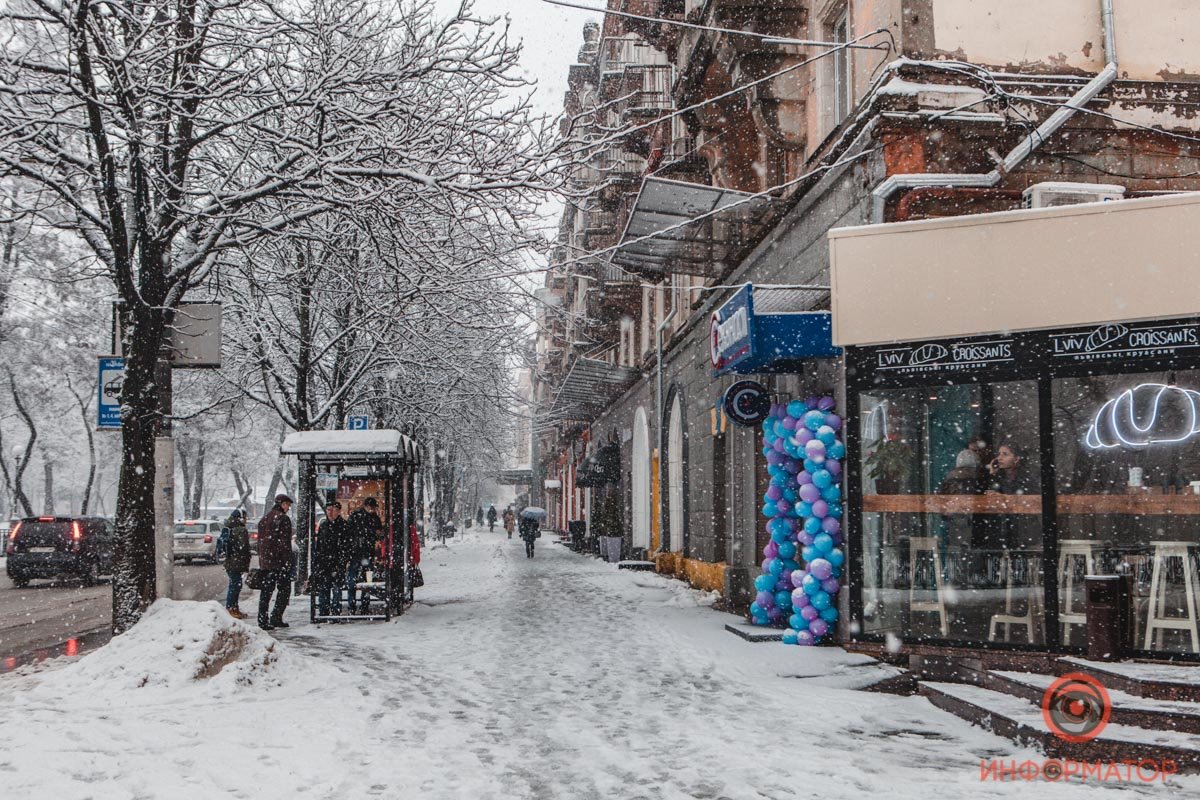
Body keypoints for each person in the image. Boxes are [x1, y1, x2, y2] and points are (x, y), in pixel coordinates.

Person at [256, 494, 295, 631]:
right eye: (287, 505)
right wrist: (288, 561)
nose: (288, 508)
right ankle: (276, 617)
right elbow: (285, 544)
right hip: (279, 562)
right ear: (282, 504)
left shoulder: (265, 518)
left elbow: (260, 542)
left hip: (266, 562)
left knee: (266, 591)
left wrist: (263, 559)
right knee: (284, 589)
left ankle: (262, 619)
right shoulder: (283, 519)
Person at [345, 497, 383, 614]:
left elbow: (349, 532)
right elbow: (377, 533)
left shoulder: (355, 516)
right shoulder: (372, 518)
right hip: (364, 552)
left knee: (354, 579)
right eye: (372, 507)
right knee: (367, 581)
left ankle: (352, 606)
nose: (373, 509)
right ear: (368, 506)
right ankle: (363, 606)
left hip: (357, 552)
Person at [312, 500, 348, 620]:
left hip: (336, 562)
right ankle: (324, 612)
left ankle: (335, 613)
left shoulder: (343, 526)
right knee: (324, 588)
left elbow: (345, 546)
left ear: (338, 511)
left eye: (332, 510)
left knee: (336, 588)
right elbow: (319, 545)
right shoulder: (324, 525)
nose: (329, 513)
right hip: (324, 563)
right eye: (328, 510)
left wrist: (341, 561)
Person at [222, 510, 251, 619]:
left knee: (235, 585)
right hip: (236, 562)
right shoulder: (241, 530)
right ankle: (231, 608)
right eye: (245, 517)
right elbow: (243, 547)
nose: (246, 519)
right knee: (235, 586)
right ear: (240, 518)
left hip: (230, 561)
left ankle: (234, 608)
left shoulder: (229, 527)